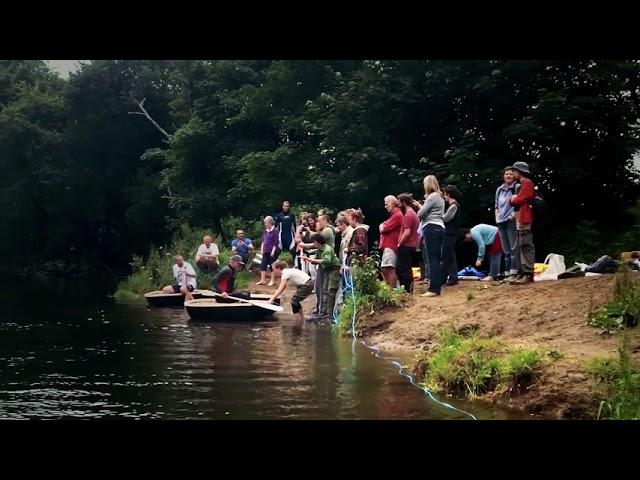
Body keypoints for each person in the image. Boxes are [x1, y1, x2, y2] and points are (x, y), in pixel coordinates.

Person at [414, 175, 445, 297]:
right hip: (439, 226)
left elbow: (420, 214)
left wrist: (419, 210)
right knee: (436, 259)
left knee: (432, 259)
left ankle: (433, 289)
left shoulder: (432, 197)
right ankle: (436, 286)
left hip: (431, 228)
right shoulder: (440, 197)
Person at [301, 234, 341, 319]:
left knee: (331, 290)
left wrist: (313, 260)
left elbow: (327, 260)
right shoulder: (319, 249)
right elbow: (314, 256)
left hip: (334, 269)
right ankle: (323, 312)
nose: (313, 244)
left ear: (318, 242)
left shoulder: (327, 249)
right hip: (327, 270)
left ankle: (330, 313)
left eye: (314, 242)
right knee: (324, 290)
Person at [509, 161, 536, 284]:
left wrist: (513, 199)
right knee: (520, 245)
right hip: (521, 217)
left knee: (526, 244)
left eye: (514, 171)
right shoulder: (521, 184)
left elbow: (521, 199)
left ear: (519, 171)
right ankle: (521, 272)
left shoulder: (527, 183)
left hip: (525, 217)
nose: (513, 173)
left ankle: (528, 273)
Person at [495, 166, 520, 277]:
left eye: (511, 174)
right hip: (501, 221)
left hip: (511, 220)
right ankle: (507, 272)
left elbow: (519, 203)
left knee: (513, 247)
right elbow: (496, 205)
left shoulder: (517, 187)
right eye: (506, 174)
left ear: (514, 176)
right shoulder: (499, 189)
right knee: (506, 250)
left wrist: (513, 215)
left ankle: (514, 271)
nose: (508, 176)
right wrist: (496, 217)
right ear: (503, 176)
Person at [397, 193, 421, 293]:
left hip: (406, 245)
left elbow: (407, 232)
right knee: (404, 268)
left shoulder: (408, 215)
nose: (398, 204)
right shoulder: (413, 214)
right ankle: (407, 289)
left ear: (404, 202)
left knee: (403, 269)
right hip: (411, 245)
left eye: (399, 202)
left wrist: (399, 244)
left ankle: (407, 290)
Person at [379, 195, 403, 289]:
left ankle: (392, 290)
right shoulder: (394, 215)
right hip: (389, 245)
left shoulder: (397, 215)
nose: (385, 207)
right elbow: (385, 224)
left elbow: (384, 228)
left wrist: (382, 226)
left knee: (388, 268)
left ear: (392, 203)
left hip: (391, 245)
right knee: (386, 268)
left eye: (386, 204)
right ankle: (392, 289)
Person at [441, 185, 461, 286]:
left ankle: (443, 278)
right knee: (451, 256)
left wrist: (437, 215)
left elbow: (445, 218)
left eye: (444, 194)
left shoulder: (453, 206)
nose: (444, 196)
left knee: (446, 256)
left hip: (449, 233)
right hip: (451, 233)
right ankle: (453, 277)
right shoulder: (453, 205)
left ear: (448, 194)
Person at [257, 216, 279, 286]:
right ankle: (262, 280)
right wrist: (261, 249)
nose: (265, 224)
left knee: (272, 266)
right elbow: (263, 241)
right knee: (263, 265)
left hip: (272, 251)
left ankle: (272, 281)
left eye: (266, 223)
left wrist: (273, 251)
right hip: (265, 251)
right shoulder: (265, 231)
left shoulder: (275, 231)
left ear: (270, 222)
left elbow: (276, 242)